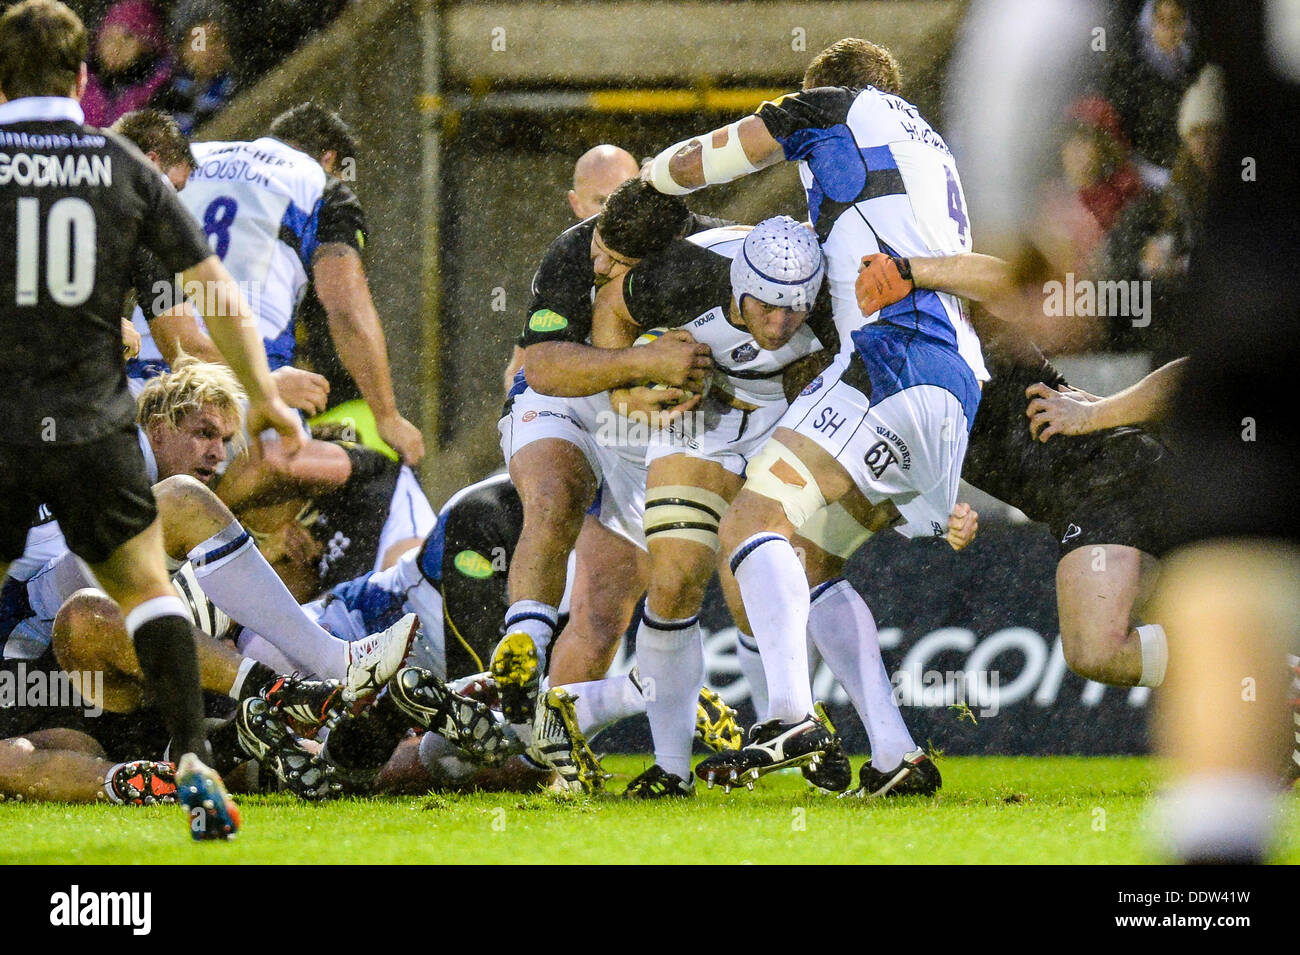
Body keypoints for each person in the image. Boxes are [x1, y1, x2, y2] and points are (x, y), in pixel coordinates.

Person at [644, 37, 984, 795]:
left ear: (825, 93)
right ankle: (898, 754)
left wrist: (649, 179)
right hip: (956, 381)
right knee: (817, 560)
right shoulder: (932, 153)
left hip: (892, 355)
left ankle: (791, 711)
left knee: (751, 521)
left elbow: (719, 156)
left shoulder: (833, 107)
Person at [0, 0, 303, 839]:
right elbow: (214, 290)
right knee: (148, 594)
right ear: (84, 75)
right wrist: (266, 395)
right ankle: (195, 764)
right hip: (95, 426)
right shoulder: (118, 167)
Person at [489, 178, 721, 737]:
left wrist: (680, 385)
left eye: (616, 263)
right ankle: (522, 651)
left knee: (603, 613)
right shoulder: (573, 250)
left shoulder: (712, 262)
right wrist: (637, 373)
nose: (597, 263)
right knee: (553, 496)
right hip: (566, 403)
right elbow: (542, 367)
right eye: (599, 243)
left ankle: (543, 748)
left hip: (652, 435)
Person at [178, 101, 424, 464]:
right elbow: (345, 308)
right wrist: (387, 416)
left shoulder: (191, 156)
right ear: (329, 160)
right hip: (240, 395)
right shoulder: (319, 186)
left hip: (153, 379)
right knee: (341, 476)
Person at [111, 108, 332, 415]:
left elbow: (181, 340)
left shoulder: (70, 187)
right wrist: (267, 386)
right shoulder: (139, 215)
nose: (173, 205)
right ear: (150, 164)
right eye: (174, 190)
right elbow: (184, 347)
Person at [80, 0, 172, 128]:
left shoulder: (165, 92)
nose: (116, 47)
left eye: (128, 38)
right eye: (109, 38)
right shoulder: (81, 86)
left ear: (147, 43)